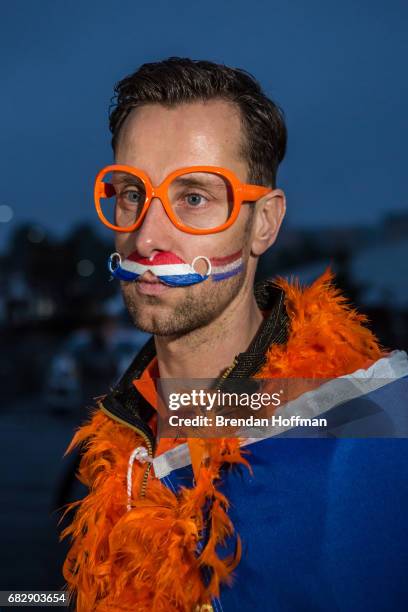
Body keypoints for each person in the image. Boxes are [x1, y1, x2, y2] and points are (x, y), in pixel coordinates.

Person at [61, 58, 408, 611]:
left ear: (264, 223)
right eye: (131, 193)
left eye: (194, 198)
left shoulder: (372, 439)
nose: (147, 238)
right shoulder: (121, 443)